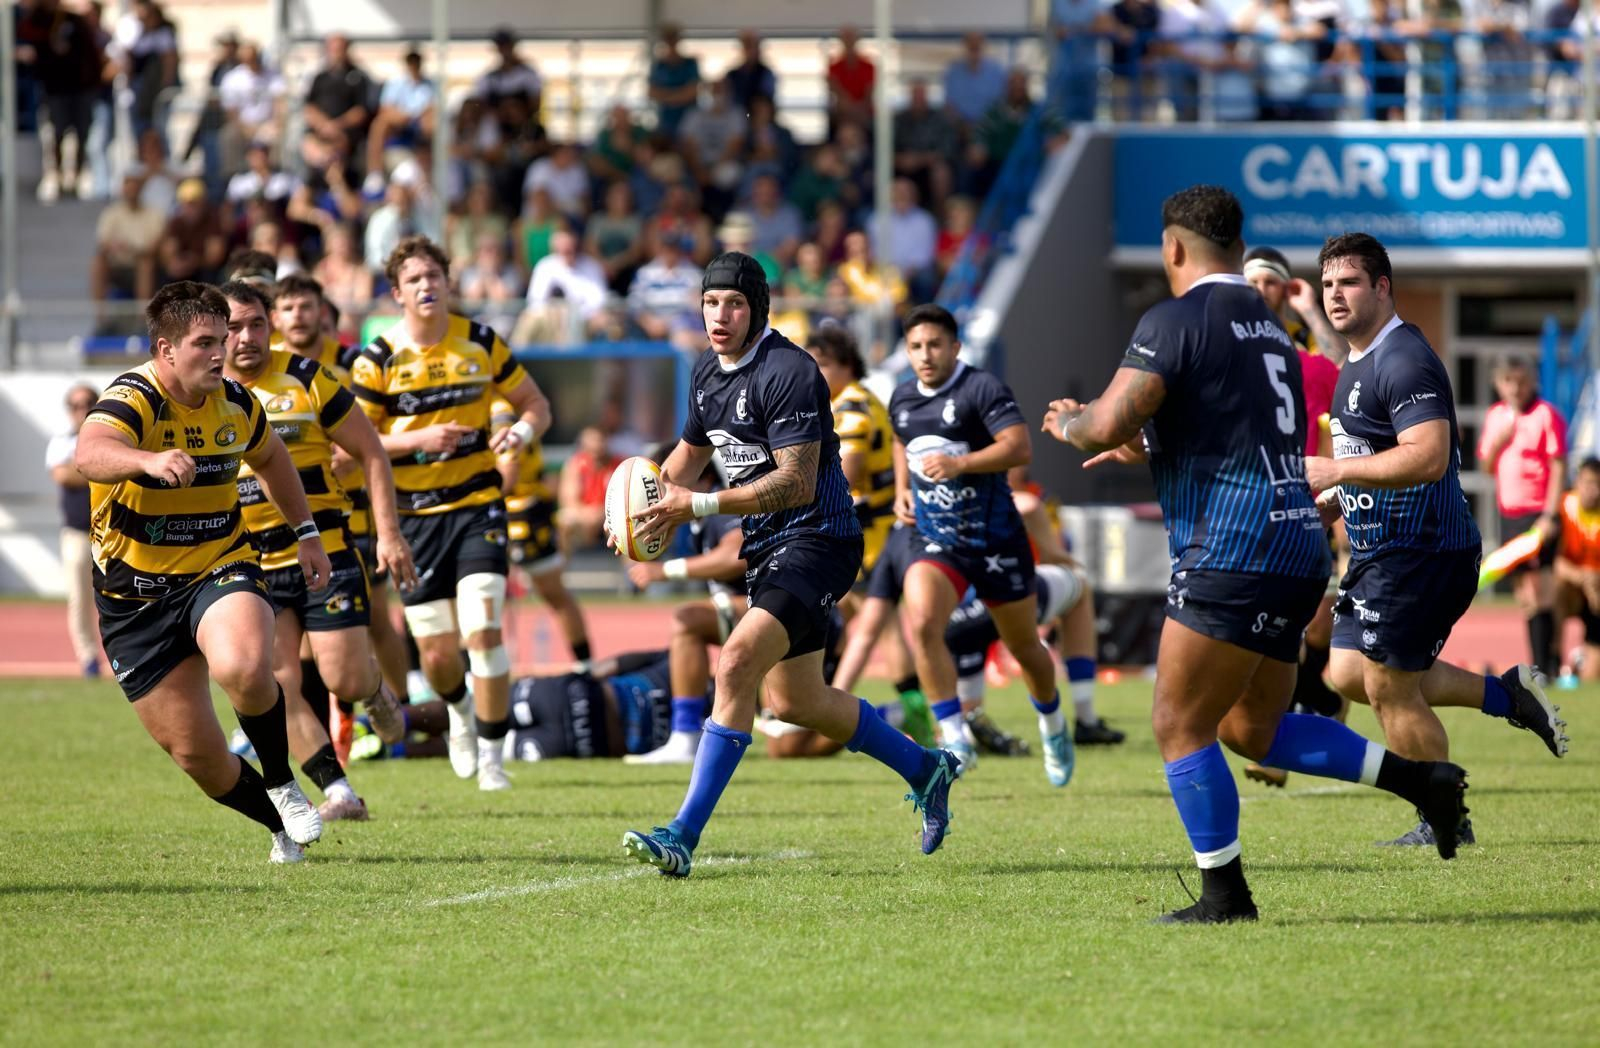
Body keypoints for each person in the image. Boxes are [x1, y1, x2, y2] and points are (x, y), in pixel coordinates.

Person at [1045, 187, 1475, 922]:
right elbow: (1224, 428)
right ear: (1239, 249)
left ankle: (1225, 896)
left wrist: (1072, 423)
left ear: (1172, 248)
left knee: (1178, 724)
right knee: (1253, 730)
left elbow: (1106, 420)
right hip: (1296, 546)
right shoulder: (1270, 329)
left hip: (1230, 547)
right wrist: (1149, 442)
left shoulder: (1175, 318)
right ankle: (1421, 781)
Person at [618, 252, 960, 878]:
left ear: (758, 310)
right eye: (710, 303)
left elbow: (795, 483)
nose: (720, 316)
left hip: (820, 539)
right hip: (768, 546)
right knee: (797, 700)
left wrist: (695, 506)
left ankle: (682, 835)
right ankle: (926, 768)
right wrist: (638, 514)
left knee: (735, 662)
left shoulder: (790, 370)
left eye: (734, 304)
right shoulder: (706, 372)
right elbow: (684, 460)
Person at [1305, 233, 1568, 849]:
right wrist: (1339, 496)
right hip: (1378, 554)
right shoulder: (1357, 360)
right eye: (1327, 284)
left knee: (1388, 686)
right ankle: (1507, 694)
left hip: (1422, 552)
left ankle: (1446, 819)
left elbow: (1427, 456)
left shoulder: (1403, 358)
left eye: (1348, 283)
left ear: (1382, 287)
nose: (1335, 295)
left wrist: (1337, 470)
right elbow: (1374, 456)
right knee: (1347, 673)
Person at [75, 282, 330, 863]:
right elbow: (89, 452)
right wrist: (145, 460)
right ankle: (278, 826)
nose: (223, 352)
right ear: (165, 350)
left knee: (243, 665)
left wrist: (307, 532)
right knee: (199, 758)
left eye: (226, 338)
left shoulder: (237, 401)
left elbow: (272, 458)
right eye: (206, 343)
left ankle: (283, 780)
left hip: (220, 564)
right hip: (133, 599)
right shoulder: (135, 396)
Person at [351, 235, 553, 791]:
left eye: (434, 276)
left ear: (448, 283)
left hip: (478, 509)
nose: (426, 286)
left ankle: (492, 757)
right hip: (414, 519)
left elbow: (537, 404)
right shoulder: (377, 360)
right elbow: (354, 446)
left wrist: (521, 432)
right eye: (414, 279)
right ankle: (460, 710)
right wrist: (418, 438)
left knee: (483, 632)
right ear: (397, 293)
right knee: (438, 656)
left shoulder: (481, 342)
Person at [219, 281, 415, 820]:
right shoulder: (205, 396)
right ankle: (340, 792)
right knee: (274, 684)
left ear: (272, 326)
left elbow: (372, 451)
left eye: (256, 324)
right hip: (251, 564)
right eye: (233, 328)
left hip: (325, 550)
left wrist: (389, 533)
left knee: (344, 679)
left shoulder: (308, 378)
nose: (246, 337)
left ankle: (374, 691)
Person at [888, 304, 1072, 782]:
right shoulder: (903, 397)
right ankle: (955, 735)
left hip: (995, 539)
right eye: (915, 347)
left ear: (955, 347)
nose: (925, 355)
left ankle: (1053, 724)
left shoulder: (981, 388)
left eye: (934, 345)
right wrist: (903, 489)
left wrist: (960, 464)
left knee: (1025, 646)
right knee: (922, 621)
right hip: (936, 538)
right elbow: (901, 439)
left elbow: (1019, 447)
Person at [1242, 244, 1346, 786]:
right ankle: (1280, 736)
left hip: (1304, 511)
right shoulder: (1225, 351)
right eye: (1251, 282)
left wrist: (1310, 310)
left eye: (1271, 282)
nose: (1261, 291)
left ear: (1285, 289)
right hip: (1244, 513)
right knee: (1267, 632)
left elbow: (1345, 368)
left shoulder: (1304, 361)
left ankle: (1316, 698)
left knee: (1315, 626)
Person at [1477, 352, 1568, 675]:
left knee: (1540, 588)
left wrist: (1550, 514)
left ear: (1532, 382)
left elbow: (1558, 465)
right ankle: (1539, 663)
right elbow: (1487, 467)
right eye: (1508, 381)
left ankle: (1548, 664)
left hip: (1537, 512)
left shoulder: (1545, 414)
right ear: (1498, 384)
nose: (1515, 388)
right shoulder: (1495, 416)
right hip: (1510, 514)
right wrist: (1499, 443)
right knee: (1524, 594)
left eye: (1521, 381)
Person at [490, 394, 592, 669]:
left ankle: (585, 667)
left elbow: (508, 472)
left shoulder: (498, 408)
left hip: (520, 512)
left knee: (552, 593)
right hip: (518, 509)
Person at [46, 383, 102, 677]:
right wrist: (100, 466)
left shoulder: (110, 436)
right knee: (79, 599)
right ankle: (88, 657)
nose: (83, 410)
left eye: (89, 403)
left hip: (112, 533)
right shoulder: (61, 441)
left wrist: (82, 466)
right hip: (77, 533)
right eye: (76, 405)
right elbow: (62, 475)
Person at [1553, 458, 1600, 681]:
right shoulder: (1563, 508)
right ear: (1578, 482)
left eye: (1598, 484)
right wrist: (1583, 578)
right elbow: (1555, 563)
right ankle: (1553, 657)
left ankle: (1580, 661)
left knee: (1592, 677)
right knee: (1556, 588)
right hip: (1573, 589)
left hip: (1597, 593)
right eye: (1589, 483)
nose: (1594, 491)